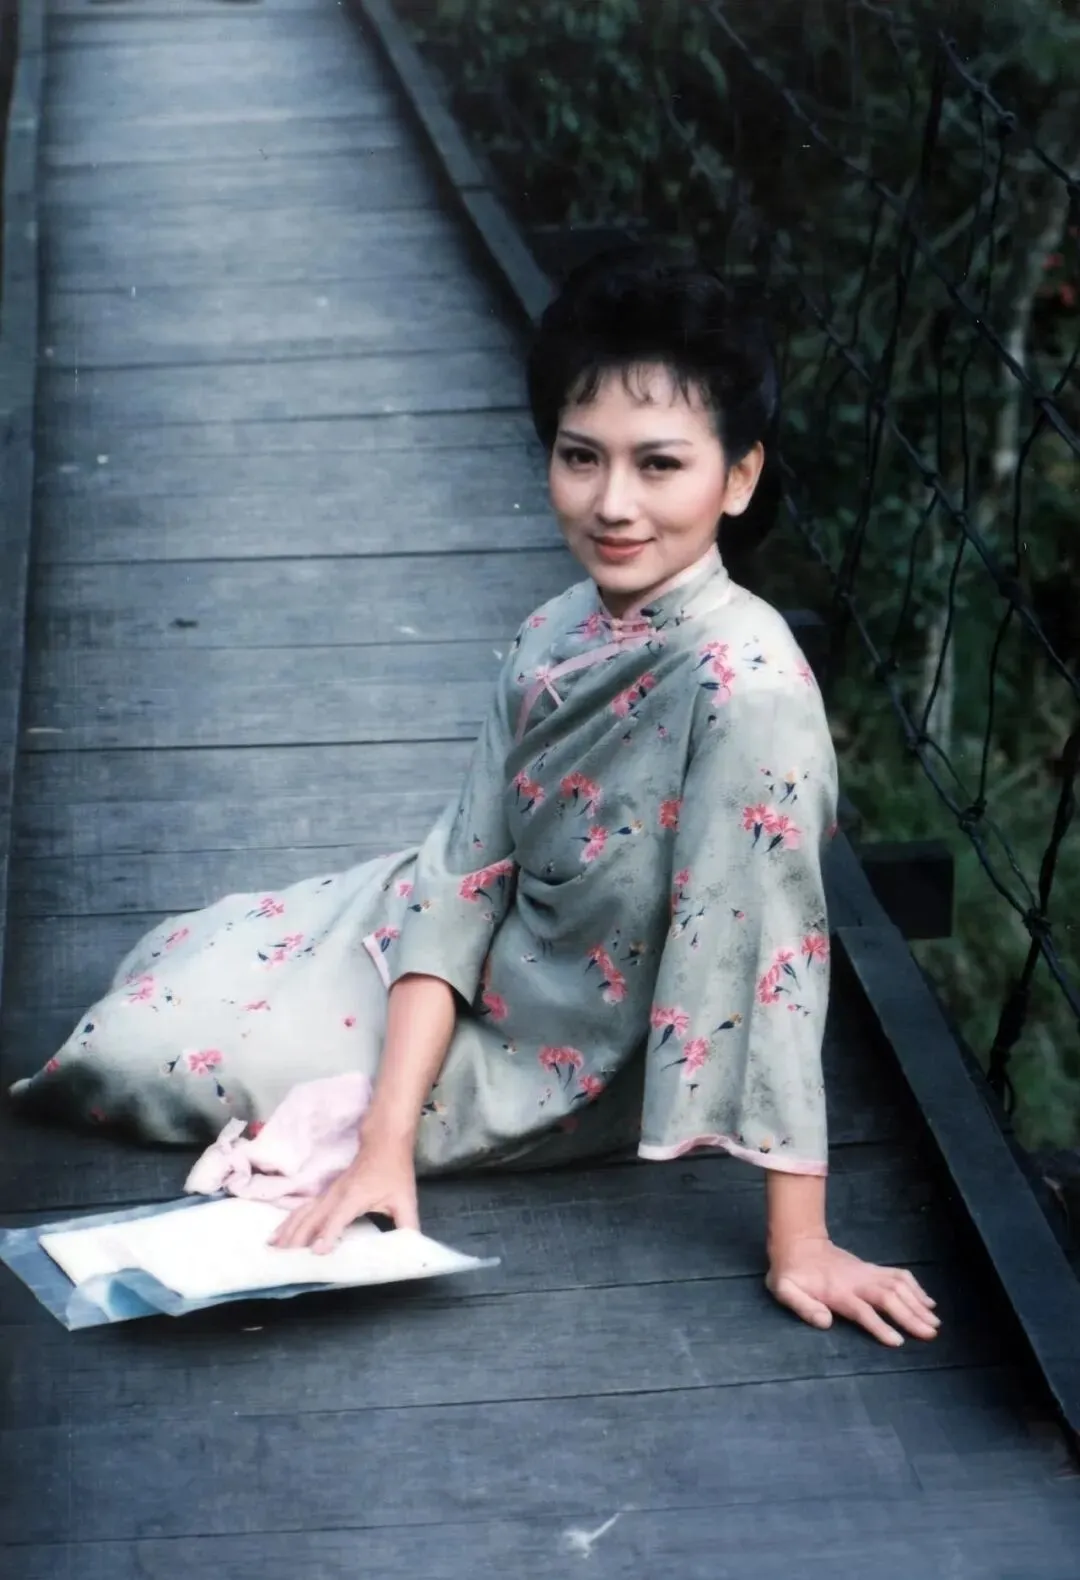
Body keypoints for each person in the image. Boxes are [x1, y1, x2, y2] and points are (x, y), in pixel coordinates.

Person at [9, 244, 939, 1349]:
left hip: (561, 1043)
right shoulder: (559, 627)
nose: (613, 503)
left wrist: (803, 1240)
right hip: (465, 948)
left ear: (737, 479)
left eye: (660, 465)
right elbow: (461, 873)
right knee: (177, 964)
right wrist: (382, 1140)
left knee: (136, 1060)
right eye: (581, 457)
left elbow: (773, 952)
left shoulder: (747, 690)